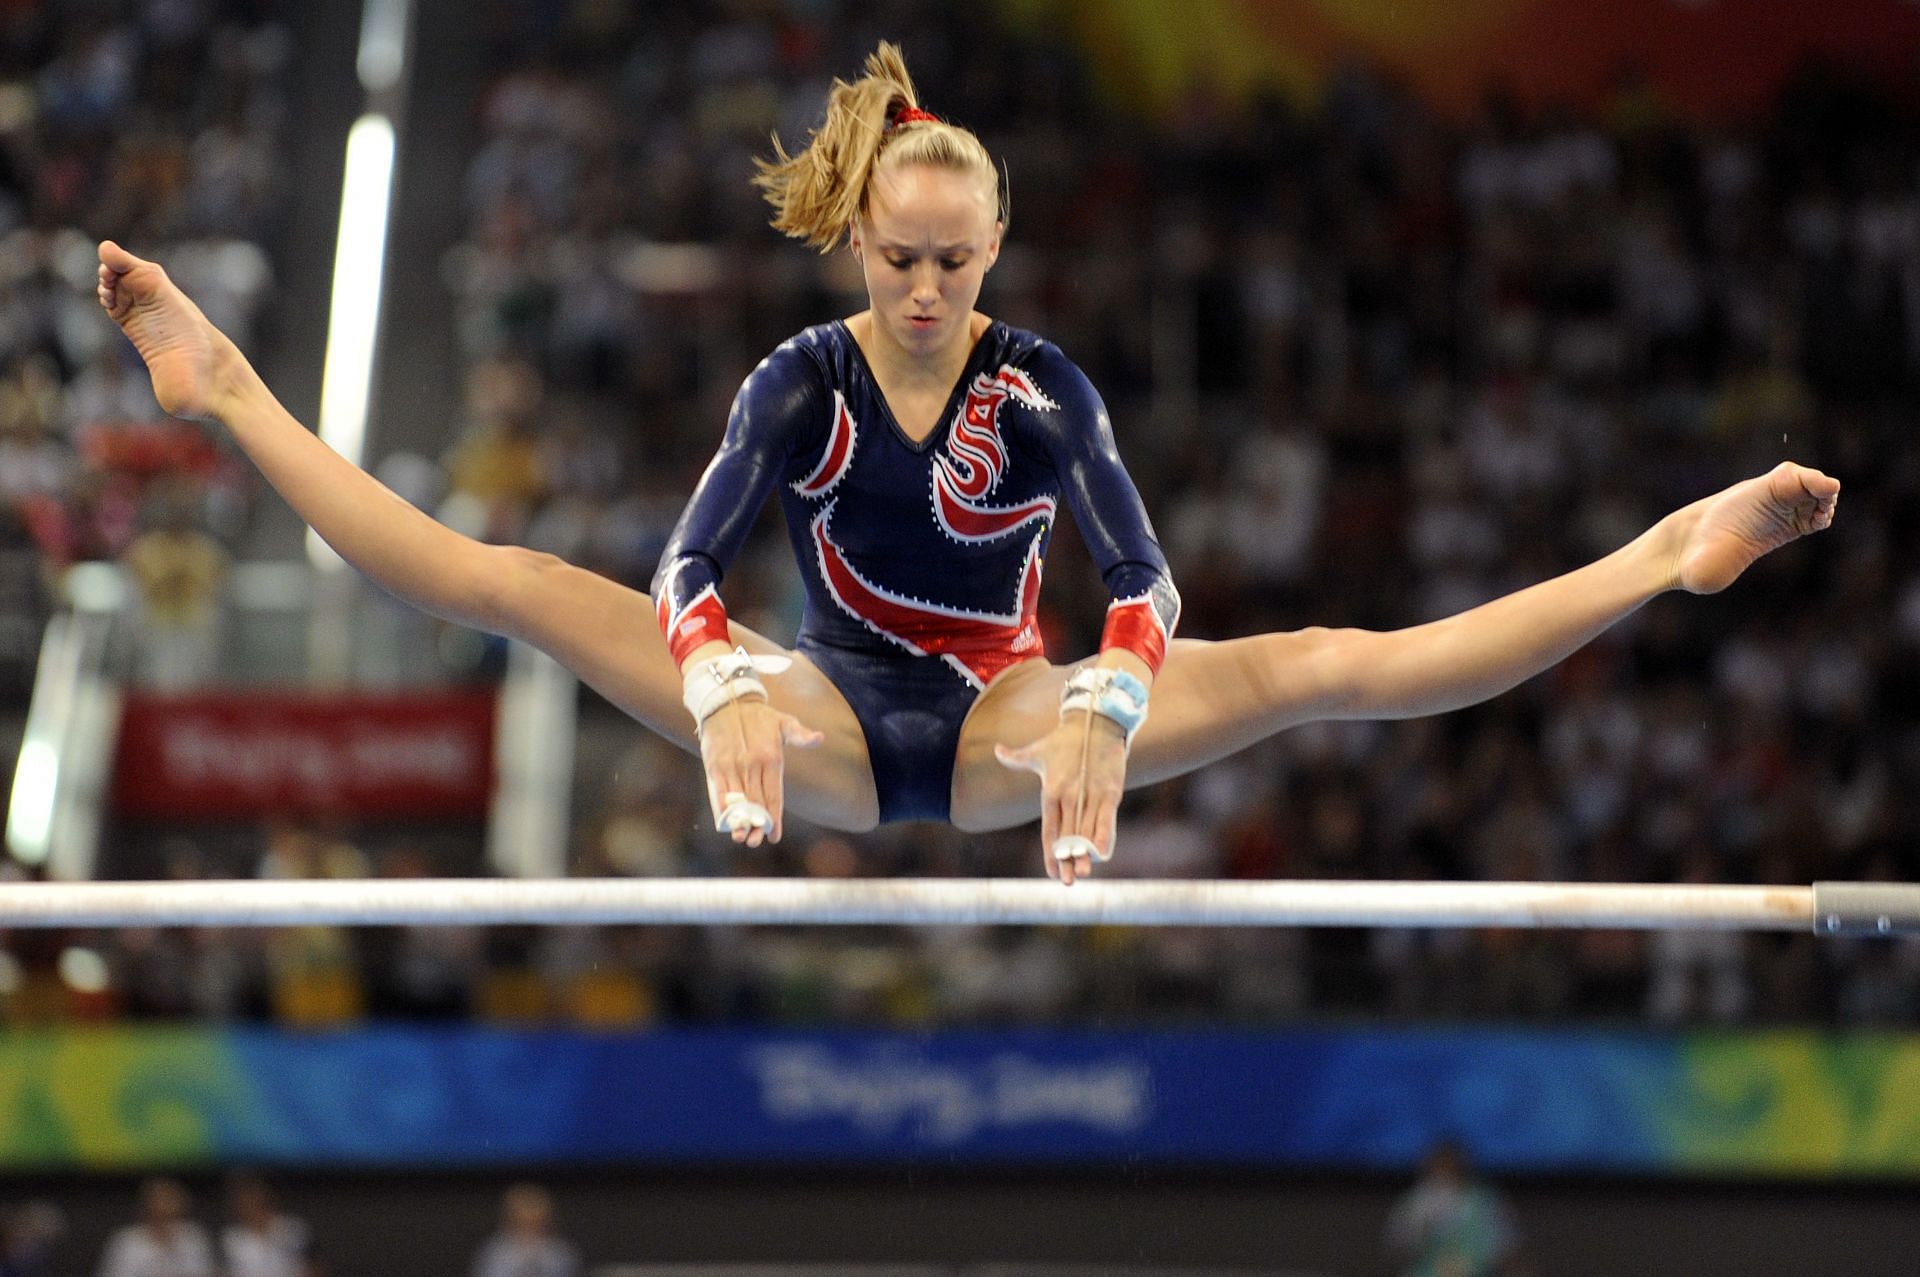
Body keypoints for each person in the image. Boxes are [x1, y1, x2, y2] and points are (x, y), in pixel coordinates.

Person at [93, 43, 1839, 884]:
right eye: (897, 259)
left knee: (1325, 668)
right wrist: (709, 684)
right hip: (817, 719)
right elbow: (686, 571)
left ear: (998, 245)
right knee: (517, 582)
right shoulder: (799, 384)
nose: (925, 291)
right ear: (856, 239)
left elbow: (1148, 584)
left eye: (956, 262)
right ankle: (236, 386)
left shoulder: (1049, 391)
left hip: (1013, 725)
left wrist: (1108, 704)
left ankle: (1664, 546)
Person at [1384, 1140, 1524, 1277]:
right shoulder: (1413, 1202)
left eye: (1449, 1166)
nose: (1443, 1173)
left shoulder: (1486, 1201)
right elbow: (1395, 1252)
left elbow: (1508, 1249)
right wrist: (1420, 1231)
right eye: (1439, 1167)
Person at [95, 1178, 215, 1277]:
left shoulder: (193, 1236)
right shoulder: (127, 1242)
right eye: (161, 1216)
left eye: (173, 1217)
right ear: (147, 1214)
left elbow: (205, 1271)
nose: (168, 1224)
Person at [468, 1183, 578, 1277]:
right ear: (510, 1223)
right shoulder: (495, 1253)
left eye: (537, 1226)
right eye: (525, 1225)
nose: (531, 1232)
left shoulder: (561, 1253)